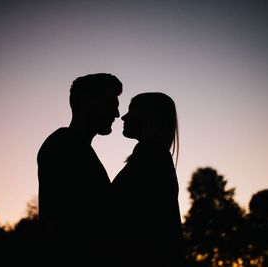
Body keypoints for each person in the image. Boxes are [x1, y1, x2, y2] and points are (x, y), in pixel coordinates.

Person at [37, 73, 123, 267]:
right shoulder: (63, 144)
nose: (117, 114)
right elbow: (60, 222)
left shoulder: (76, 147)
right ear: (86, 101)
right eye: (111, 104)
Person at [112, 92, 184, 267]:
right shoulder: (155, 157)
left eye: (131, 111)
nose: (123, 116)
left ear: (148, 117)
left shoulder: (150, 158)